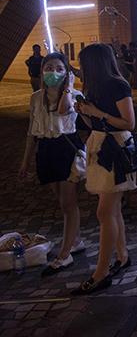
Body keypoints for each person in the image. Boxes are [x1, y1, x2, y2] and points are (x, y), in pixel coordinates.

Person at [71, 43, 137, 295]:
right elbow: (93, 124)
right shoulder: (94, 87)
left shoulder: (118, 85)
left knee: (104, 212)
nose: (81, 69)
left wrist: (96, 111)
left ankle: (101, 273)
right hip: (99, 145)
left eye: (84, 64)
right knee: (112, 209)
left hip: (115, 150)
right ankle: (122, 256)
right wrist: (85, 112)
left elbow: (128, 122)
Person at [18, 52, 86, 275]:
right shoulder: (36, 97)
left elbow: (63, 109)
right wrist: (26, 162)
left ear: (67, 72)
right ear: (41, 70)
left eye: (59, 68)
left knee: (68, 201)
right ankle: (75, 241)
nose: (53, 72)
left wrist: (68, 86)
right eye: (48, 68)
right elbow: (32, 131)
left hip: (66, 148)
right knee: (60, 198)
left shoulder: (74, 95)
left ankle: (64, 255)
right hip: (46, 149)